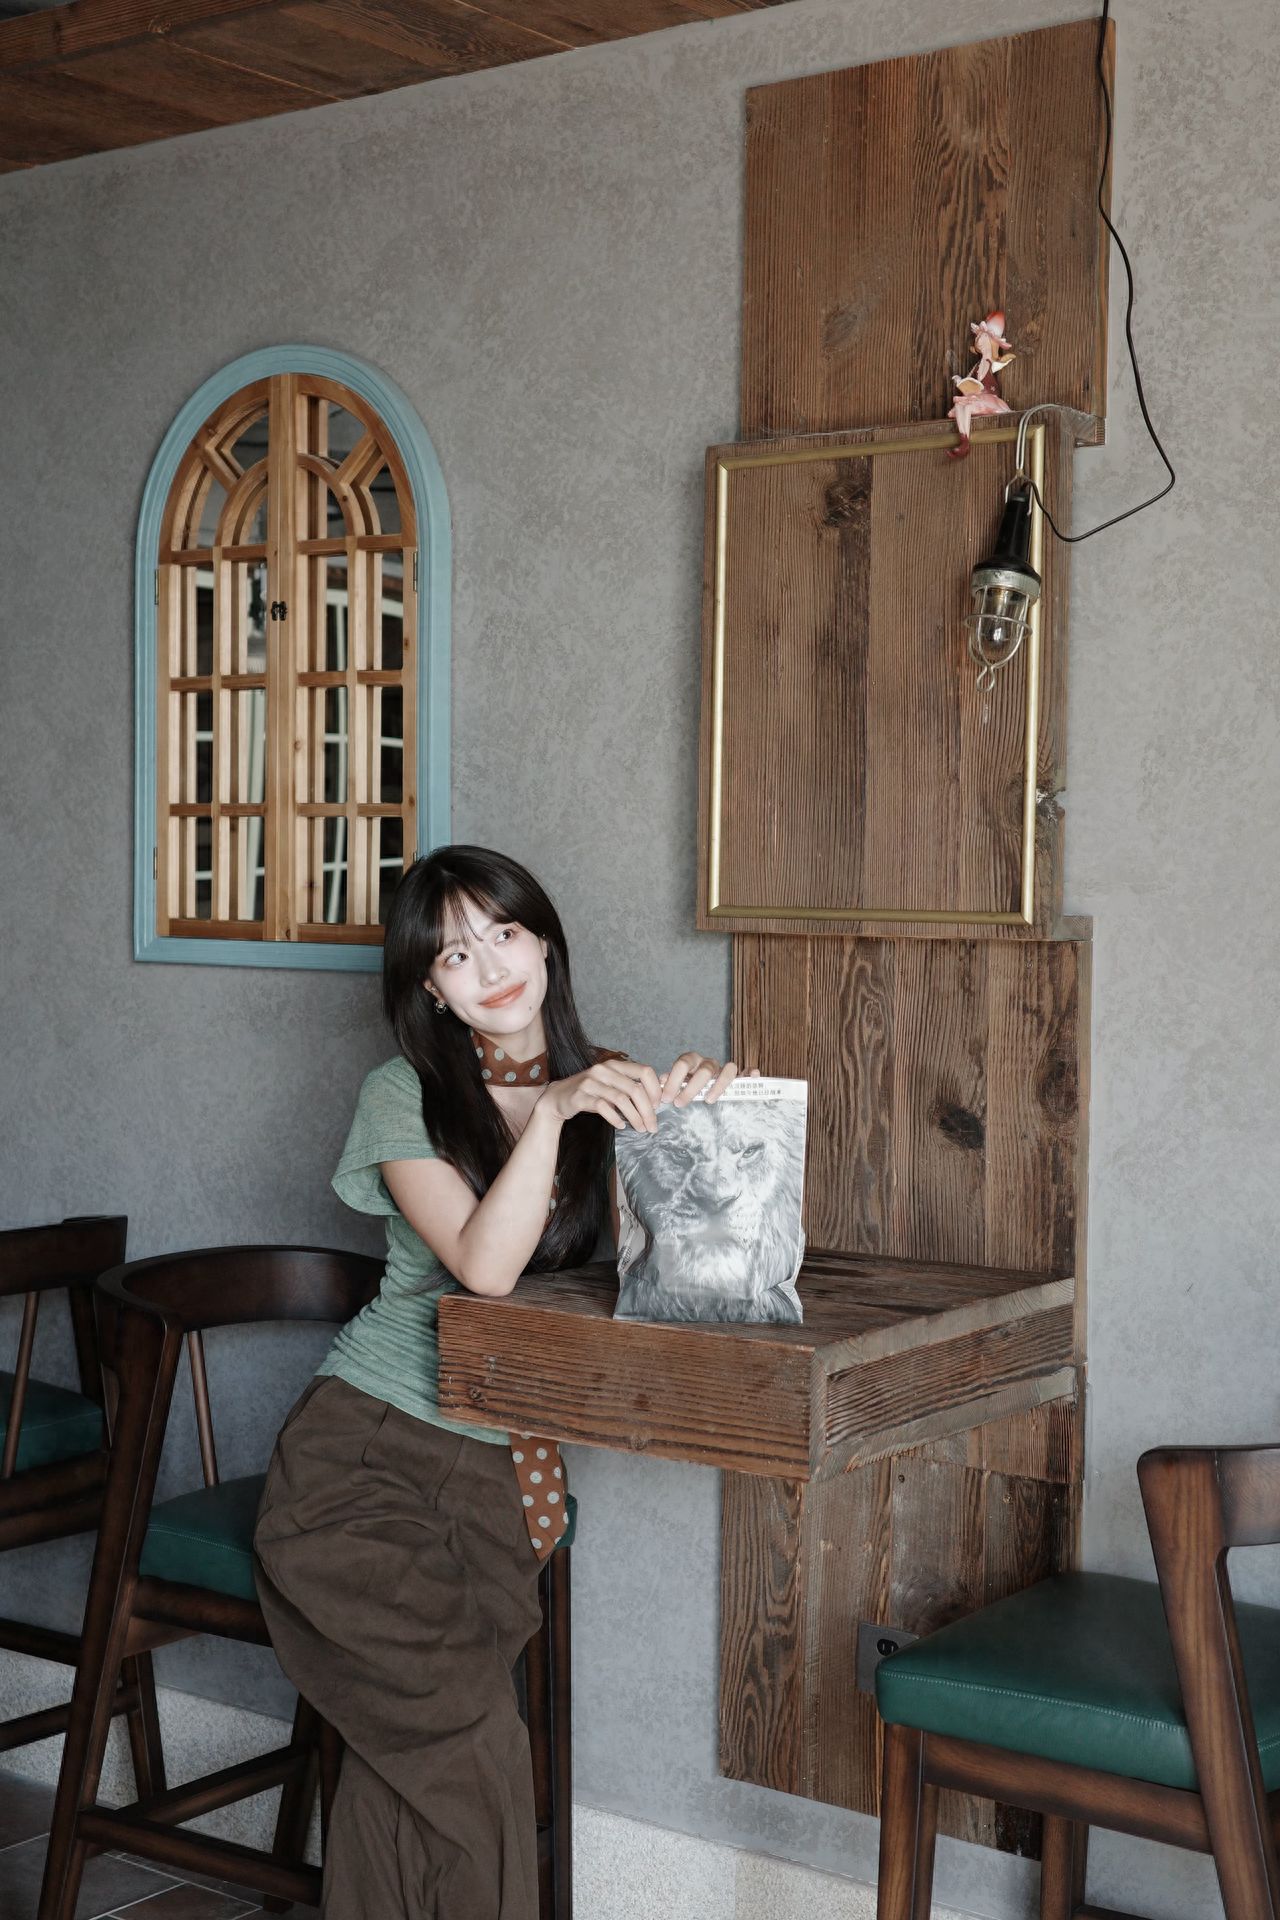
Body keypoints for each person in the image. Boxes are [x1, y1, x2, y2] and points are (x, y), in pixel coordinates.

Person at [253, 844, 738, 1920]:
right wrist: (558, 1113)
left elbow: (683, 1266)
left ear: (544, 937)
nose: (490, 967)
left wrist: (709, 1118)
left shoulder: (608, 1087)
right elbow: (482, 1266)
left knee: (406, 1767)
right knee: (471, 1748)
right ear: (430, 986)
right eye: (454, 954)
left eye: (503, 934)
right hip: (363, 1462)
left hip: (499, 1485)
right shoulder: (403, 1095)